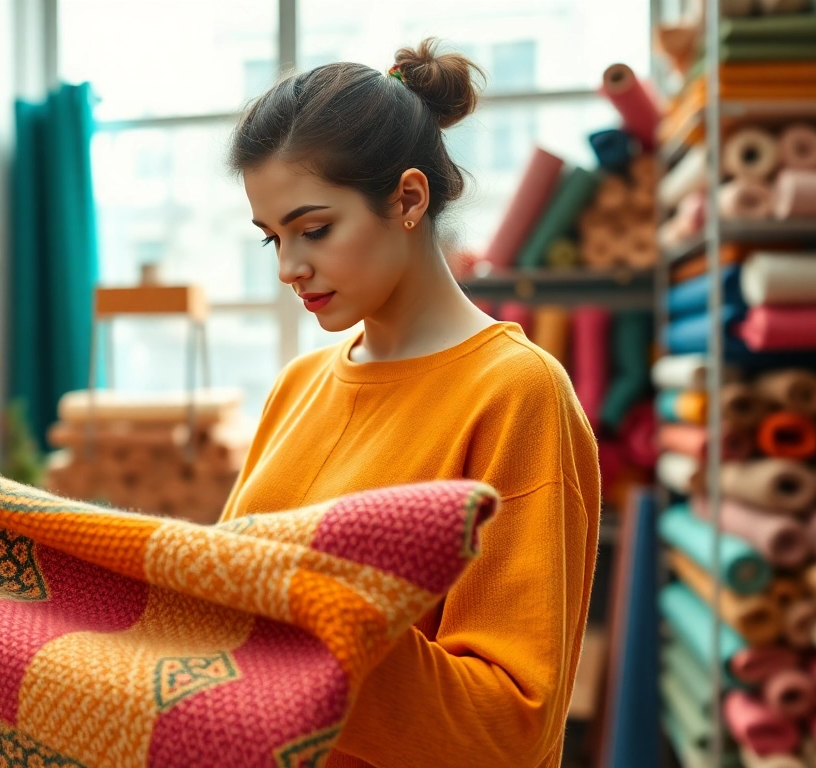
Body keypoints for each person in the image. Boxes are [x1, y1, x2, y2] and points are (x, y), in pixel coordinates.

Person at [223, 38, 600, 767]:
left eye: (315, 229)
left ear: (408, 198)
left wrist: (304, 638)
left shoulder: (517, 395)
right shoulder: (297, 388)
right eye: (272, 238)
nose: (289, 268)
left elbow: (508, 725)